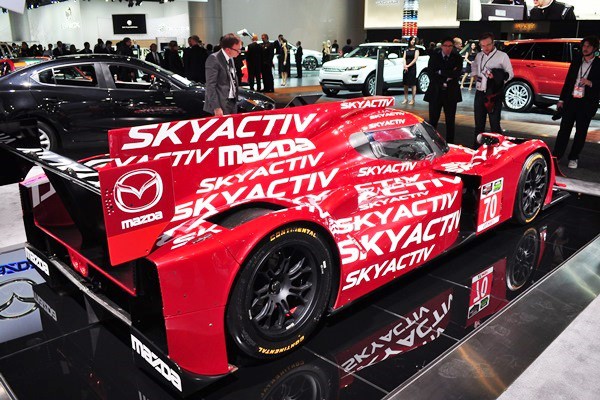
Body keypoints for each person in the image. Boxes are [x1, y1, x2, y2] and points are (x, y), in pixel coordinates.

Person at [552, 36, 600, 169]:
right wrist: (561, 99)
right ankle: (556, 156)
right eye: (584, 46)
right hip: (571, 100)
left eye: (588, 46)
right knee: (564, 130)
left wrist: (590, 83)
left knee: (581, 132)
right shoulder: (577, 60)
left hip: (586, 103)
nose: (585, 48)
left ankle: (573, 157)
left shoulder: (598, 64)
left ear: (594, 48)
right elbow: (568, 81)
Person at [471, 32, 514, 144]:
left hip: (494, 94)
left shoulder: (502, 56)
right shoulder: (479, 55)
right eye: (483, 45)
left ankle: (499, 149)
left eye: (488, 45)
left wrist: (496, 76)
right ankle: (477, 148)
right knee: (478, 125)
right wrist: (475, 77)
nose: (485, 48)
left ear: (493, 43)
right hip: (480, 92)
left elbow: (510, 74)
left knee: (494, 125)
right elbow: (474, 66)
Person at [424, 37, 463, 144]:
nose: (448, 48)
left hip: (451, 92)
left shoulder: (457, 57)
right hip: (436, 91)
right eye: (445, 46)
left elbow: (457, 73)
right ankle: (431, 143)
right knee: (433, 120)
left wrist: (441, 72)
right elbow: (431, 73)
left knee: (450, 121)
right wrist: (446, 77)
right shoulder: (435, 57)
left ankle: (450, 143)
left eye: (450, 46)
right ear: (441, 46)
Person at [203, 33, 242, 116]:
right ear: (228, 50)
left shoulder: (231, 58)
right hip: (220, 104)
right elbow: (210, 86)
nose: (239, 52)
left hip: (232, 102)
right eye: (237, 50)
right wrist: (216, 107)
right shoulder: (214, 59)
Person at [402, 36, 420, 105]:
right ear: (409, 41)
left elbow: (415, 59)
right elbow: (404, 58)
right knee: (405, 84)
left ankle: (413, 99)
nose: (413, 41)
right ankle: (405, 98)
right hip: (405, 67)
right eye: (412, 40)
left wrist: (408, 66)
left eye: (414, 40)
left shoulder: (416, 49)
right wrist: (405, 65)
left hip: (412, 68)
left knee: (413, 84)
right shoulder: (406, 48)